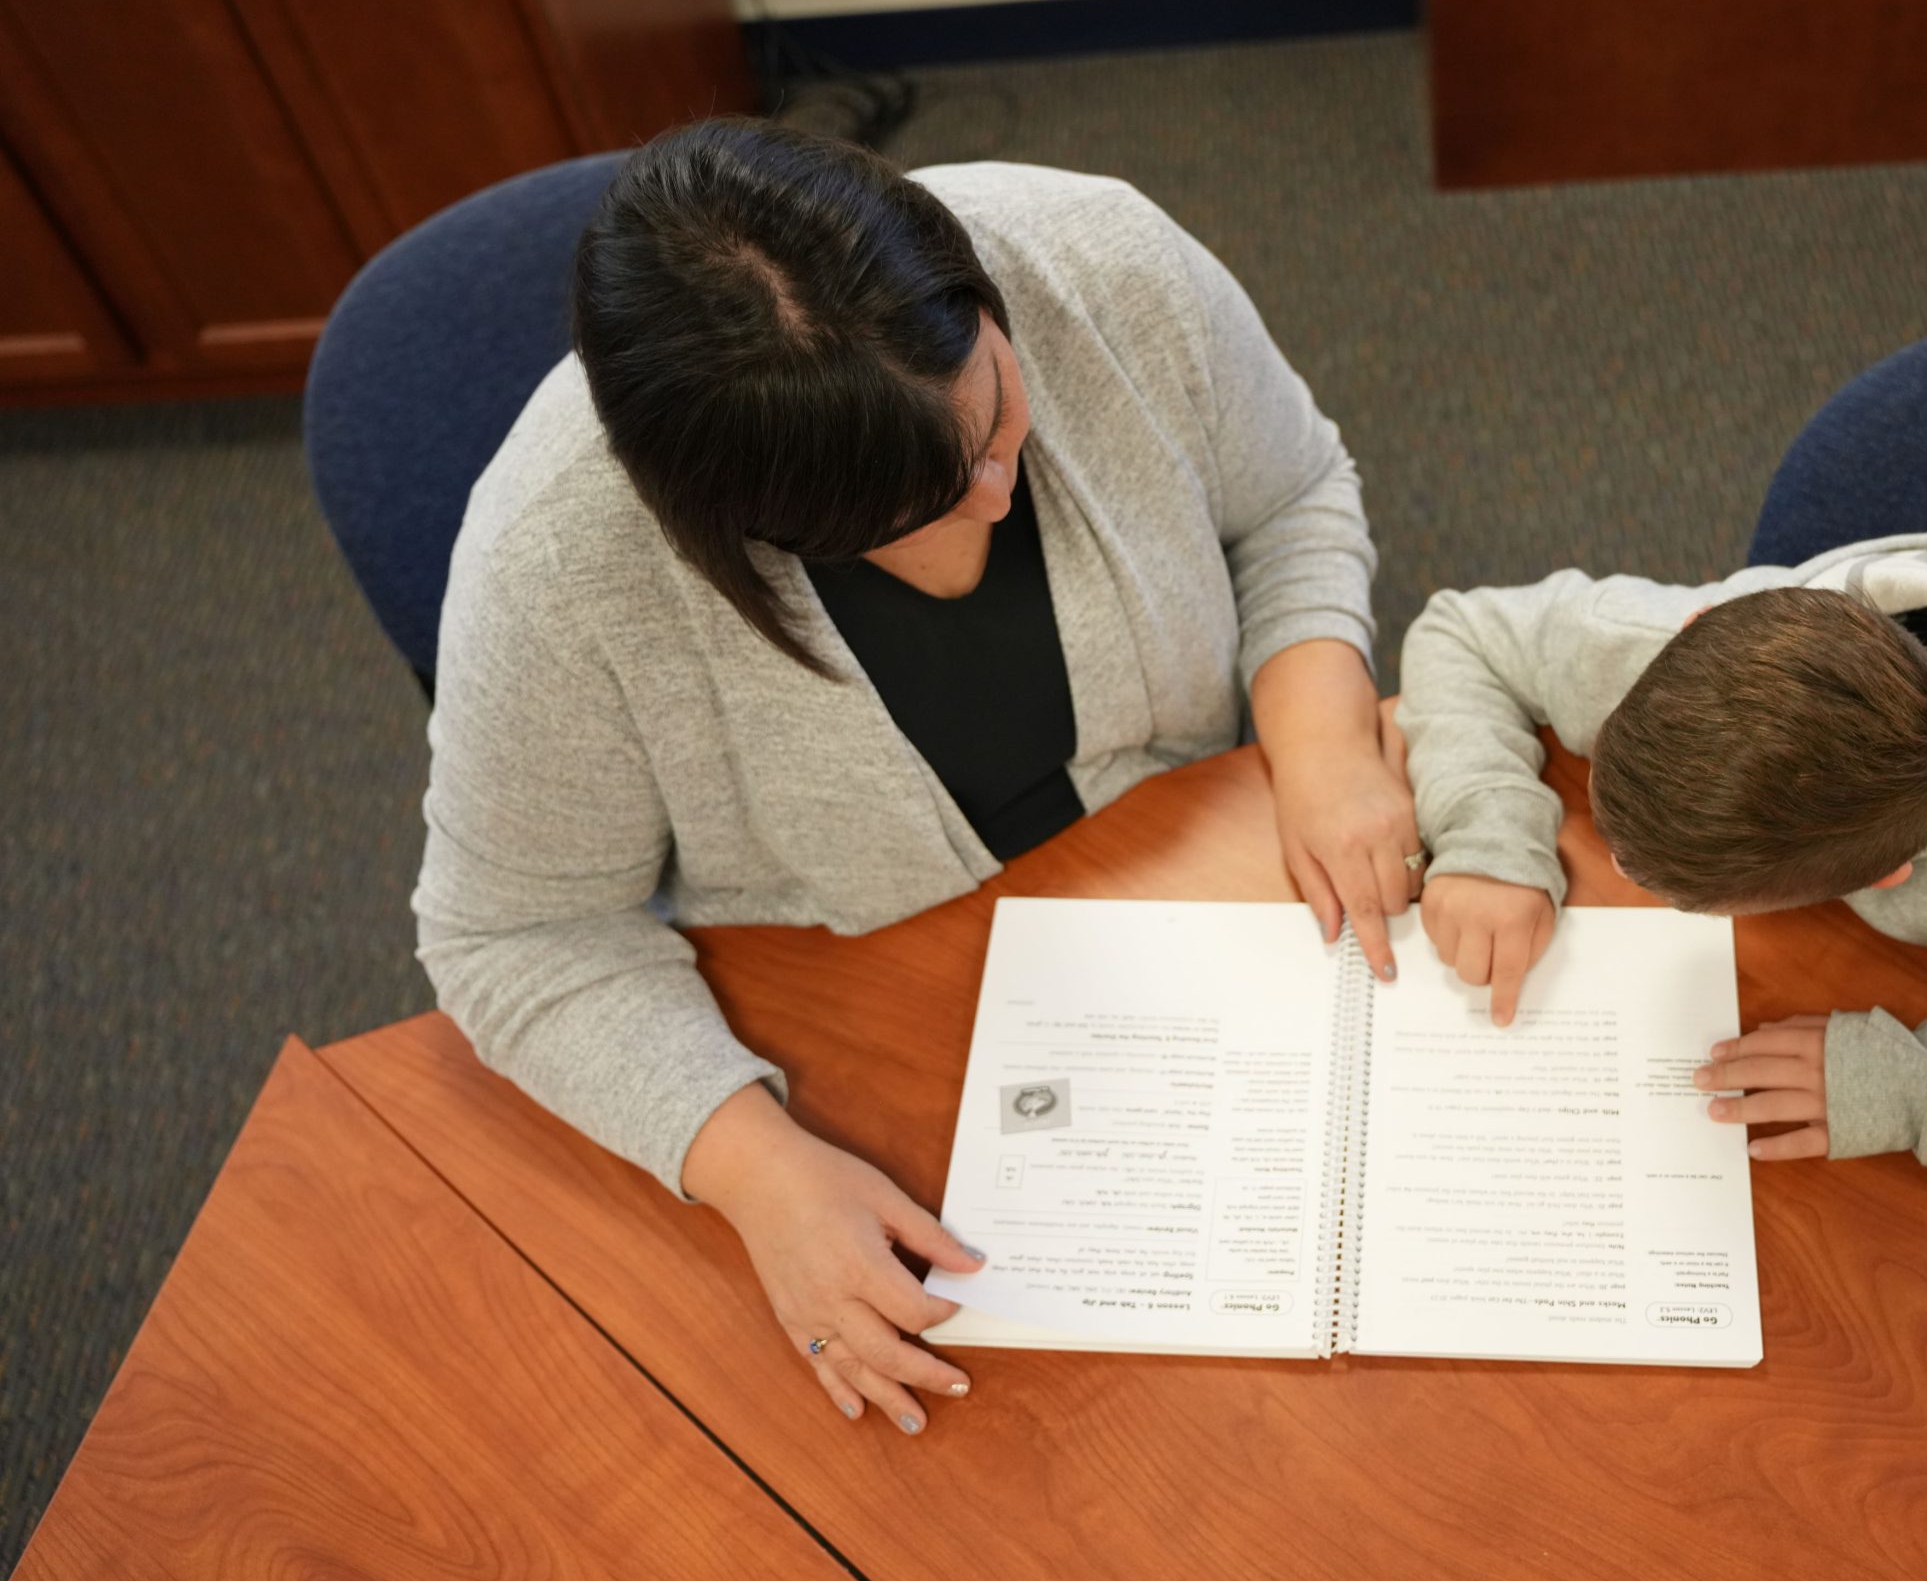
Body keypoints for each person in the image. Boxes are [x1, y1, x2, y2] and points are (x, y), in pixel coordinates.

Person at [416, 118, 1420, 1438]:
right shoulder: (561, 555)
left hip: (1183, 873)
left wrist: (1326, 729)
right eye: (910, 514)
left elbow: (1287, 495)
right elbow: (516, 934)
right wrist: (759, 1172)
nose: (995, 501)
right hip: (850, 1000)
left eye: (996, 419)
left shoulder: (1103, 263)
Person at [1394, 534, 1927, 1201]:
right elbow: (1461, 630)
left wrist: (1913, 1086)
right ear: (1696, 627)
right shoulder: (1643, 647)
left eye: (1675, 892)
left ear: (1888, 875)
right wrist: (1488, 839)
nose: (1618, 865)